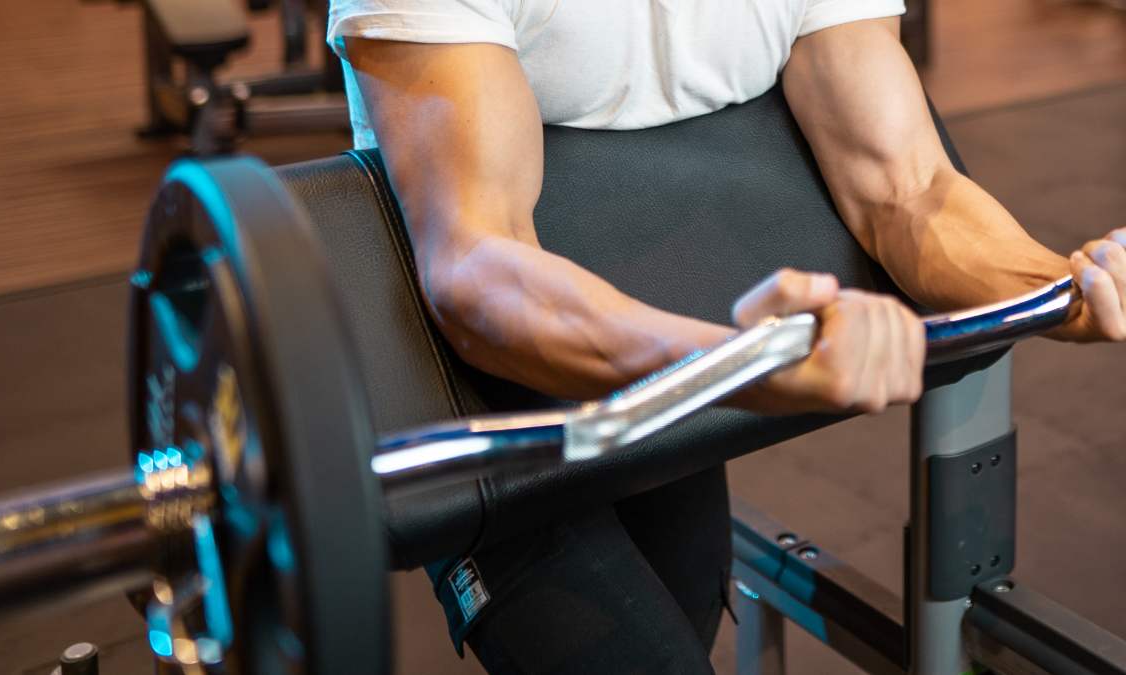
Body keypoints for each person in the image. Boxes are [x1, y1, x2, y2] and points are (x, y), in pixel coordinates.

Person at [326, 2, 1126, 672]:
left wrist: (1072, 285)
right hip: (493, 422)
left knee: (685, 608)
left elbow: (909, 187)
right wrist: (727, 365)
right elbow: (476, 261)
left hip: (672, 387)